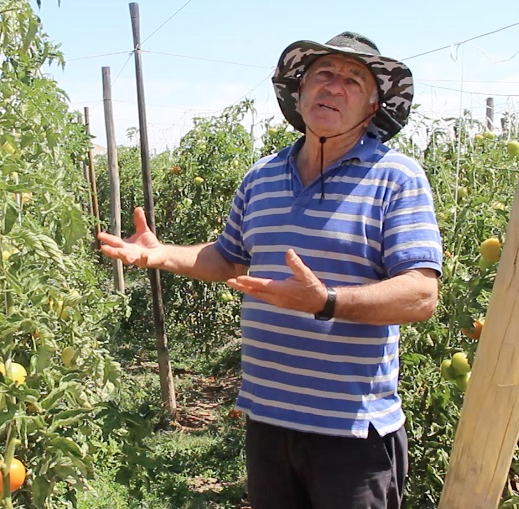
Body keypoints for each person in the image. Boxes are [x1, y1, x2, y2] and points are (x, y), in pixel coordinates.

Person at [97, 32, 443, 509]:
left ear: (372, 105)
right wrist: (161, 254)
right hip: (268, 419)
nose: (333, 86)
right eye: (322, 74)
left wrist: (327, 302)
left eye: (352, 79)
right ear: (297, 92)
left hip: (351, 429)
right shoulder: (261, 178)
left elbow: (421, 295)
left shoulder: (396, 177)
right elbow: (229, 259)